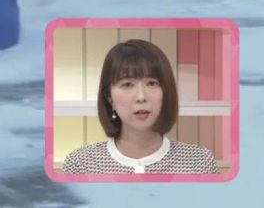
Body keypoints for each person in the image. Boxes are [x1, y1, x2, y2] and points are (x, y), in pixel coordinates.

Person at [60, 39, 219, 175]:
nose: (141, 96)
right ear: (109, 98)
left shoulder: (200, 163)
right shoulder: (80, 165)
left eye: (152, 83)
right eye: (127, 84)